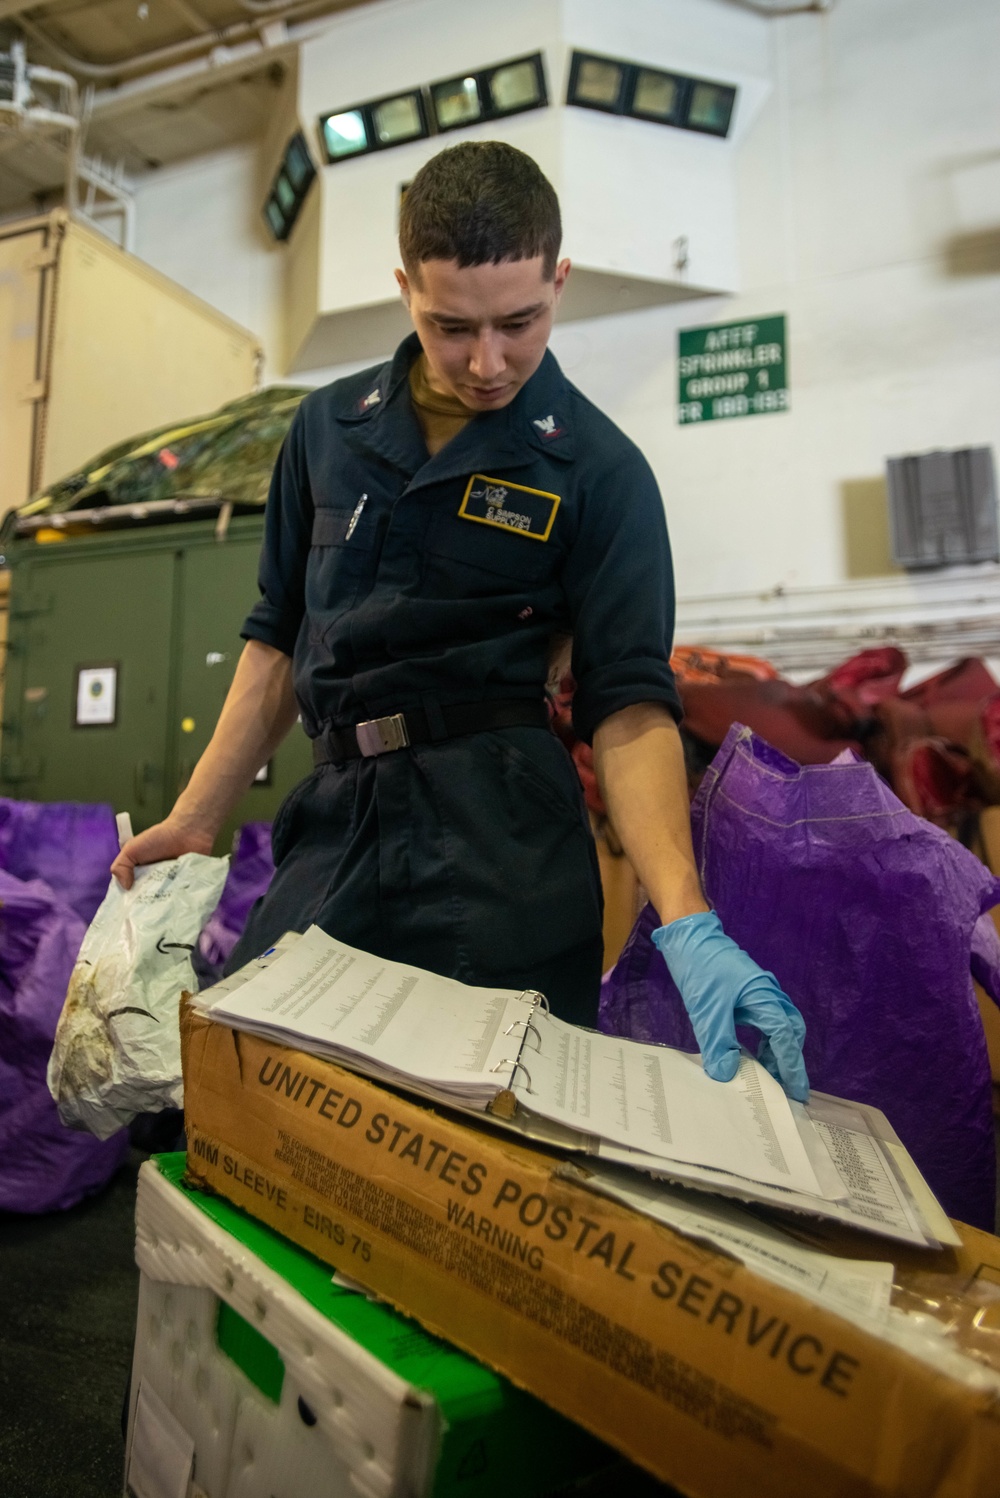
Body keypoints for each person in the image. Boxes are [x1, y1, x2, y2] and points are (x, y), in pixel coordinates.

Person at [113, 141, 808, 1100]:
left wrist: (685, 914)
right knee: (262, 1091)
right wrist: (196, 819)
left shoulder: (600, 473)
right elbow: (277, 637)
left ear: (559, 280)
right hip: (338, 816)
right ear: (404, 289)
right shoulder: (325, 432)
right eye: (451, 327)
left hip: (501, 835)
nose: (488, 362)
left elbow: (630, 704)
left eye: (521, 322)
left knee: (503, 1120)